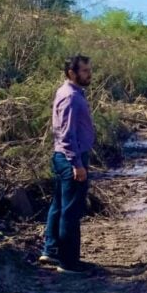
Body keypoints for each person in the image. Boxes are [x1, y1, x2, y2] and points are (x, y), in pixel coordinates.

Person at [39, 55, 95, 274]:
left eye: (89, 70)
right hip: (71, 158)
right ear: (72, 73)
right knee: (70, 212)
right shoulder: (70, 97)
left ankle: (51, 252)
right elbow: (66, 134)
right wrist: (77, 164)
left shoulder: (69, 93)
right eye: (84, 71)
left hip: (65, 157)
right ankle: (68, 263)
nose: (89, 74)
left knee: (59, 206)